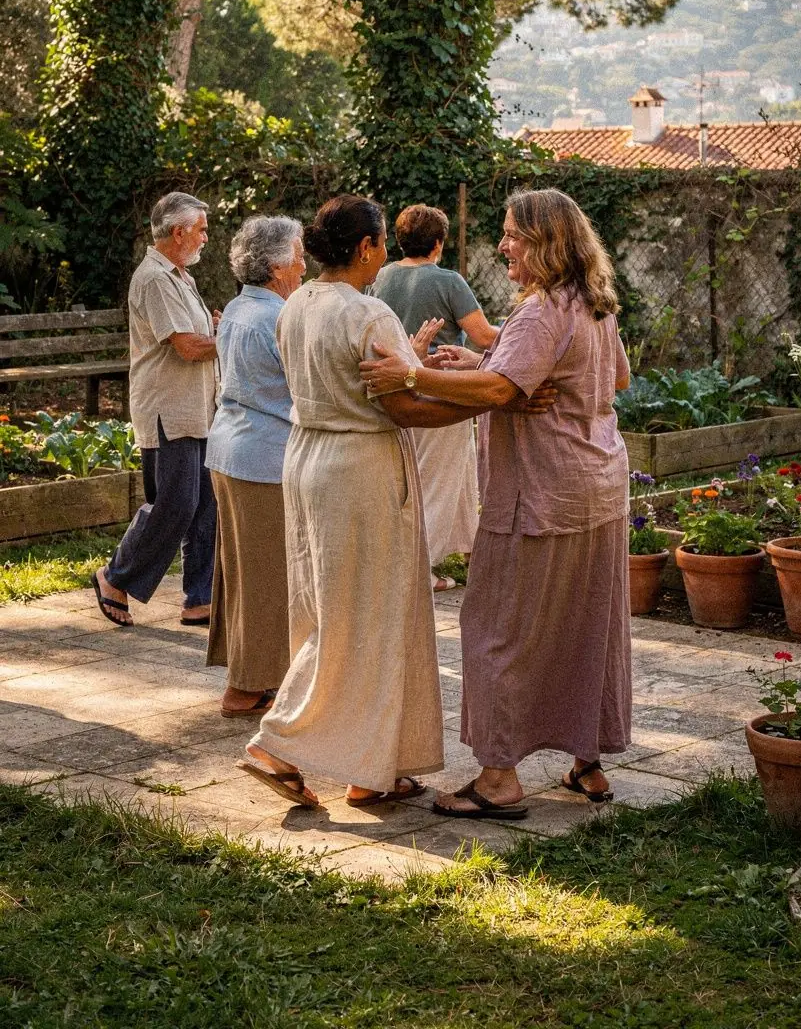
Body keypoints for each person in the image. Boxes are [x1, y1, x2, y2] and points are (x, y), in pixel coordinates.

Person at [237, 193, 532, 810]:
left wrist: (413, 364)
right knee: (365, 614)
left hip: (307, 457)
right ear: (366, 246)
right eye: (378, 244)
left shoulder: (296, 305)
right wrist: (487, 401)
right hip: (361, 468)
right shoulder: (368, 313)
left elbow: (335, 379)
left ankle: (372, 768)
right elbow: (403, 407)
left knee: (328, 607)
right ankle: (279, 744)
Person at [360, 187, 631, 819]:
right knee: (586, 627)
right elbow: (612, 376)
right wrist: (487, 363)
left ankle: (499, 779)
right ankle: (587, 763)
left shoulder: (538, 313)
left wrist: (411, 375)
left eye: (513, 235)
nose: (503, 245)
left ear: (546, 242)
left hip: (540, 492)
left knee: (495, 630)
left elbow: (502, 389)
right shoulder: (592, 301)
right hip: (599, 487)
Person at [91, 192, 219, 629]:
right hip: (169, 409)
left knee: (205, 504)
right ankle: (115, 576)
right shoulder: (155, 279)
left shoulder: (181, 276)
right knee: (175, 502)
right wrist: (232, 337)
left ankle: (199, 598)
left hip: (196, 407)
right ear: (178, 232)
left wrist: (215, 327)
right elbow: (187, 347)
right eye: (201, 229)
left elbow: (195, 335)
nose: (205, 237)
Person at [205, 215, 306, 717]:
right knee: (266, 574)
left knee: (243, 570)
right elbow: (306, 387)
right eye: (299, 256)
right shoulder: (276, 317)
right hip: (262, 456)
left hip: (231, 450)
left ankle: (249, 676)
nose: (305, 266)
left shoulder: (240, 308)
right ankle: (247, 687)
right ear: (277, 266)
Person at [372, 203, 496, 586]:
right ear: (438, 243)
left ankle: (471, 555)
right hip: (442, 386)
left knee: (444, 475)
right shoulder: (448, 281)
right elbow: (483, 337)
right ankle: (418, 571)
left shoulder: (380, 278)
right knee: (438, 481)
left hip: (397, 389)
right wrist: (523, 330)